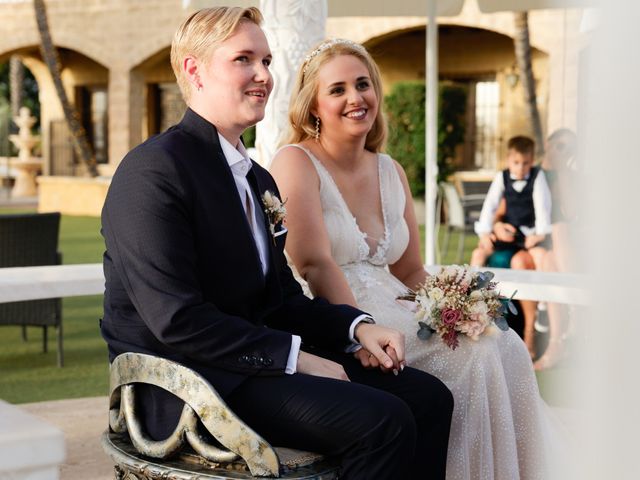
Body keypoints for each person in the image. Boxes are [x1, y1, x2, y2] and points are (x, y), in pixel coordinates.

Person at [100, 8, 453, 480]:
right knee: (382, 422)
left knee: (430, 399)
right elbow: (176, 319)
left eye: (266, 60)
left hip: (255, 365)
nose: (263, 75)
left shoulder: (257, 179)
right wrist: (296, 358)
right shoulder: (153, 172)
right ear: (193, 69)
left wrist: (356, 329)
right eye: (243, 59)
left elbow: (282, 298)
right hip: (193, 381)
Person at [270, 38, 554, 480]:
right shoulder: (295, 162)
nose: (355, 98)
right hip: (335, 313)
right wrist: (358, 332)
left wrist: (457, 305)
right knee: (472, 360)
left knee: (507, 345)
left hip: (400, 303)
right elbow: (313, 265)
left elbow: (409, 271)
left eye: (363, 84)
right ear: (314, 107)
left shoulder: (389, 170)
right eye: (338, 89)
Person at [470, 135, 552, 356]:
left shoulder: (537, 176)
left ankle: (540, 312)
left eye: (526, 163)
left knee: (534, 257)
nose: (521, 168)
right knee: (479, 254)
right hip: (507, 232)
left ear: (532, 161)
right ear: (508, 160)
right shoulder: (502, 177)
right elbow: (489, 206)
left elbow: (543, 207)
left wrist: (539, 233)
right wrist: (486, 232)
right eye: (516, 163)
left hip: (529, 235)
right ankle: (471, 311)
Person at [534, 128, 578, 370]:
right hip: (536, 239)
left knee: (551, 259)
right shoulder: (531, 173)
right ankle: (575, 312)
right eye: (560, 145)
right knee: (557, 232)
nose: (564, 152)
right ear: (549, 143)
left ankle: (555, 343)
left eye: (569, 149)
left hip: (563, 247)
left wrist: (562, 172)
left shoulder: (569, 176)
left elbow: (571, 213)